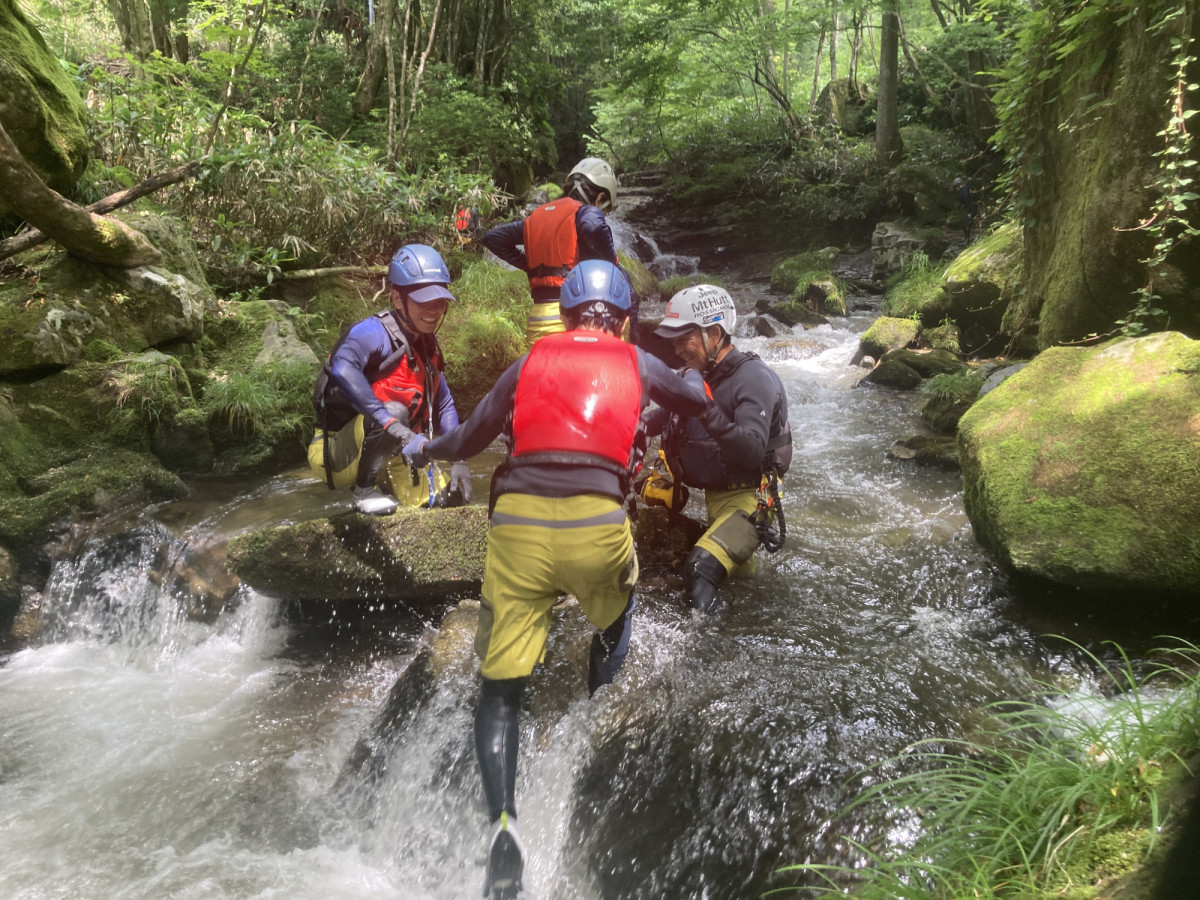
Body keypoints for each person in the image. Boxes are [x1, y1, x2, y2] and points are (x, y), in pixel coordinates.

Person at [401, 260, 708, 900]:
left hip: (516, 526)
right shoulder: (636, 361)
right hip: (598, 526)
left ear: (565, 318)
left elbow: (464, 441)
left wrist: (421, 448)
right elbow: (697, 399)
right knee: (617, 614)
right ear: (622, 319)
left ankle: (503, 828)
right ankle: (597, 713)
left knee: (501, 689)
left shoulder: (528, 362)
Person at [647, 284, 792, 615]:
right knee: (742, 585)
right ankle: (750, 609)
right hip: (717, 499)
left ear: (714, 333)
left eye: (685, 338)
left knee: (700, 570)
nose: (677, 348)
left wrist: (705, 409)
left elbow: (752, 450)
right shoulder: (697, 375)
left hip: (751, 503)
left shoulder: (753, 377)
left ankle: (715, 655)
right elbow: (660, 417)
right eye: (673, 339)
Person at [308, 243, 472, 516]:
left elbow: (444, 404)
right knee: (393, 410)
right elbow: (342, 367)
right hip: (340, 455)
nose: (434, 310)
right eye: (423, 301)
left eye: (440, 301)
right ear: (397, 298)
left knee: (452, 499)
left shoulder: (426, 343)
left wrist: (459, 458)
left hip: (395, 453)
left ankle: (386, 481)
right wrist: (393, 426)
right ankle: (363, 489)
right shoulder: (371, 333)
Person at [482, 157, 641, 344]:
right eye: (605, 211)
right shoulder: (587, 212)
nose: (603, 216)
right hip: (575, 317)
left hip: (538, 320)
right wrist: (611, 261)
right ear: (600, 199)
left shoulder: (537, 216)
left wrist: (529, 266)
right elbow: (593, 227)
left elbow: (492, 238)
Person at [953, 176, 978, 243]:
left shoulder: (964, 189)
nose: (956, 189)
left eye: (956, 187)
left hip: (971, 207)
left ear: (958, 185)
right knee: (966, 222)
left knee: (966, 223)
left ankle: (967, 239)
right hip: (971, 207)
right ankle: (966, 238)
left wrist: (968, 208)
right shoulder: (967, 187)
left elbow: (966, 199)